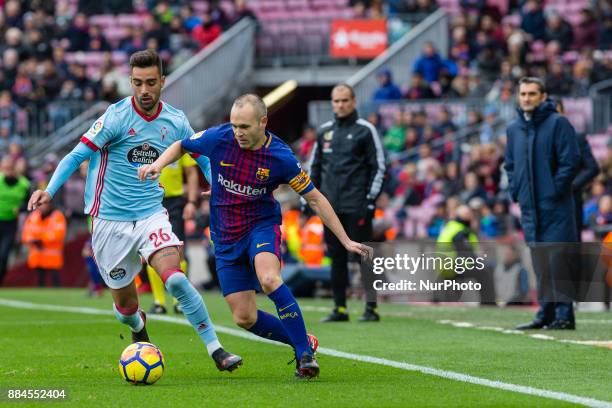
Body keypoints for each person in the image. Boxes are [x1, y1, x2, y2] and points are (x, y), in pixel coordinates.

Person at [26, 49, 242, 372]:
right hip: (108, 221)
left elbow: (203, 157)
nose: (144, 90)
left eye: (151, 83)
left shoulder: (176, 121)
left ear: (162, 82)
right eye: (138, 83)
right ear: (130, 81)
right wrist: (48, 191)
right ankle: (138, 327)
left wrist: (218, 184)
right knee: (126, 308)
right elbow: (74, 156)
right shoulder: (115, 117)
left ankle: (217, 350)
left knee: (177, 280)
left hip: (150, 214)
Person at [138, 94, 374, 379]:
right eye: (235, 125)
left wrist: (346, 240)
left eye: (245, 127)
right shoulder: (219, 137)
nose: (238, 133)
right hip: (224, 238)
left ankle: (305, 357)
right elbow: (180, 145)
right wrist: (158, 165)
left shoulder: (281, 157)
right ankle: (301, 341)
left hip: (261, 227)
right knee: (244, 317)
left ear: (263, 122)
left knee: (269, 279)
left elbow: (315, 199)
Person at [505, 77, 580, 330]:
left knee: (558, 259)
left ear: (543, 96)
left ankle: (563, 315)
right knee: (539, 260)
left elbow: (571, 162)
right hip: (529, 207)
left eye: (532, 93)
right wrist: (517, 192)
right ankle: (545, 312)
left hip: (555, 206)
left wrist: (554, 191)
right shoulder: (514, 128)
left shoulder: (558, 123)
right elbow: (510, 166)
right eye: (523, 93)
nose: (526, 98)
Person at [308, 83, 386, 323]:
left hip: (358, 205)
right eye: (336, 101)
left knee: (364, 255)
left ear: (353, 102)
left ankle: (371, 307)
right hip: (330, 207)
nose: (340, 105)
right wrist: (308, 198)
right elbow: (314, 167)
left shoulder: (366, 130)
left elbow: (379, 166)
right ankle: (340, 308)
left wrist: (370, 200)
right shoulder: (324, 132)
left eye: (344, 100)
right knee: (335, 256)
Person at [147, 152, 200, 315]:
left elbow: (191, 172)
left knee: (179, 250)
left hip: (175, 201)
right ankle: (159, 302)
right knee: (151, 249)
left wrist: (191, 202)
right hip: (150, 200)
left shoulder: (177, 145)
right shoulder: (146, 143)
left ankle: (178, 301)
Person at [21, 200, 66, 287]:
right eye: (40, 204)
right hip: (38, 256)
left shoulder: (57, 216)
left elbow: (59, 234)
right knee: (40, 280)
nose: (42, 206)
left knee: (55, 280)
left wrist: (41, 240)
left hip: (53, 257)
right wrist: (33, 240)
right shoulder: (33, 216)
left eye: (44, 204)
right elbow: (26, 234)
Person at [0, 156, 30, 285]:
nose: (7, 172)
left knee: (4, 254)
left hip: (10, 223)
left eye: (10, 169)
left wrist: (21, 208)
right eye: (5, 169)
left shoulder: (24, 184)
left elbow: (28, 203)